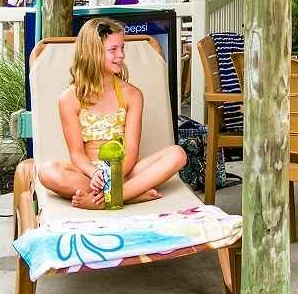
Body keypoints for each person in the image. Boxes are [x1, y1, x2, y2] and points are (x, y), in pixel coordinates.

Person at [37, 17, 187, 208]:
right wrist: (95, 174)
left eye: (122, 48)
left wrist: (114, 177)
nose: (121, 55)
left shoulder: (132, 95)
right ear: (92, 53)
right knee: (47, 172)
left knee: (177, 154)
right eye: (113, 50)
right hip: (88, 174)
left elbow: (132, 151)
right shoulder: (69, 99)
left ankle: (110, 199)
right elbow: (76, 154)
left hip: (124, 170)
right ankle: (131, 194)